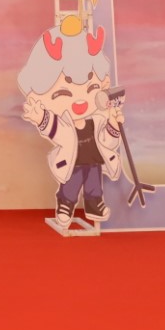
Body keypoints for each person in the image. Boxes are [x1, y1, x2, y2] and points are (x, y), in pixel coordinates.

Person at [17, 15, 126, 228]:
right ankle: (66, 204)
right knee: (71, 183)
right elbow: (55, 130)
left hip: (94, 159)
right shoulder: (65, 124)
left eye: (91, 88)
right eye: (64, 92)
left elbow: (109, 141)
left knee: (94, 183)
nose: (79, 101)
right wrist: (41, 117)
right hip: (72, 160)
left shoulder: (98, 118)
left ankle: (94, 203)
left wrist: (113, 123)